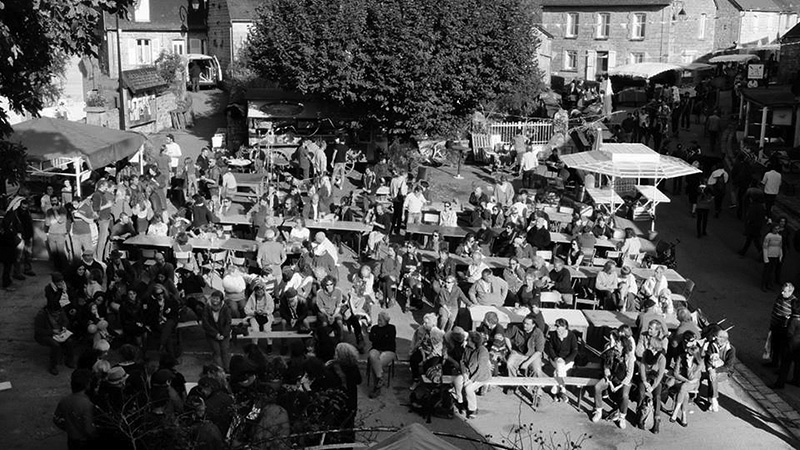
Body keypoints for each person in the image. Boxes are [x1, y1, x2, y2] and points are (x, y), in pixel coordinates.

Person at [591, 329, 634, 429]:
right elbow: (606, 368)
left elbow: (629, 375)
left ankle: (622, 417)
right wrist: (610, 383)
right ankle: (598, 411)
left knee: (625, 395)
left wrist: (619, 386)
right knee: (598, 387)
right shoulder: (610, 352)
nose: (616, 344)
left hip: (623, 381)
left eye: (618, 343)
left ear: (623, 346)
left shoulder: (629, 357)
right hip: (611, 379)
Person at [666, 331, 704, 427]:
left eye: (690, 354)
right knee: (685, 393)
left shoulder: (699, 363)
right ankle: (684, 415)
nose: (687, 355)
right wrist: (687, 380)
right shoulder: (681, 356)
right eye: (687, 351)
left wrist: (689, 365)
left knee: (684, 388)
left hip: (693, 383)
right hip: (684, 381)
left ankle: (676, 411)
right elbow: (676, 373)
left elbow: (692, 376)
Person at [53, 368, 96, 449]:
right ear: (87, 385)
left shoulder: (64, 400)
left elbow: (56, 419)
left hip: (71, 439)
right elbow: (88, 429)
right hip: (83, 441)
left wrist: (68, 428)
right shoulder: (87, 404)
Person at [452, 331, 491, 418]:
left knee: (468, 388)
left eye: (468, 339)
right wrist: (464, 373)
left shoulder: (482, 351)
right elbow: (462, 361)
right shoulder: (467, 348)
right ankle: (461, 401)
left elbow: (481, 368)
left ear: (474, 341)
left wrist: (471, 380)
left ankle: (473, 408)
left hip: (481, 376)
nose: (466, 340)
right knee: (457, 381)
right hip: (469, 372)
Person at [34, 295, 75, 375]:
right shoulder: (41, 316)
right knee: (55, 345)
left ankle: (69, 360)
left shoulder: (60, 312)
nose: (57, 315)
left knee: (70, 341)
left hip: (59, 332)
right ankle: (53, 365)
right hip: (46, 334)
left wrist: (64, 327)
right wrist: (52, 331)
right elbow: (38, 330)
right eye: (55, 314)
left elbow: (65, 321)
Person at [637, 334, 667, 434]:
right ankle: (640, 414)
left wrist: (653, 387)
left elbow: (660, 375)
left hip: (655, 379)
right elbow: (642, 367)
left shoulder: (661, 358)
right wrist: (645, 382)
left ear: (654, 346)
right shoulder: (646, 353)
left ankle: (657, 420)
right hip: (645, 377)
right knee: (641, 392)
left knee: (657, 396)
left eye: (649, 344)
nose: (647, 345)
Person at [545, 318, 578, 402]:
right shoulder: (553, 335)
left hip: (568, 361)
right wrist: (556, 358)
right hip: (555, 359)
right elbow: (550, 348)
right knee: (559, 365)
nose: (557, 329)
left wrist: (566, 360)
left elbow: (574, 351)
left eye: (559, 327)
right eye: (556, 327)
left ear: (565, 327)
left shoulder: (571, 336)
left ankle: (556, 389)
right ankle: (563, 389)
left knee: (558, 370)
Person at [704, 329, 736, 410]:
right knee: (711, 376)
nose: (714, 338)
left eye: (717, 337)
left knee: (712, 377)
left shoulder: (731, 350)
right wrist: (710, 369)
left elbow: (728, 366)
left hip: (725, 371)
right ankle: (712, 399)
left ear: (722, 339)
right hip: (713, 368)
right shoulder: (712, 344)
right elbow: (707, 358)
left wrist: (714, 371)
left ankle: (712, 399)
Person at [505, 314, 545, 379]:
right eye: (524, 323)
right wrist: (510, 349)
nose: (524, 325)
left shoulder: (538, 333)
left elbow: (539, 351)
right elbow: (506, 336)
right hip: (518, 352)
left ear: (533, 325)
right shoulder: (516, 328)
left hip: (532, 355)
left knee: (537, 369)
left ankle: (533, 385)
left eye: (527, 324)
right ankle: (513, 382)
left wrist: (527, 363)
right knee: (510, 364)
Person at [367, 311, 397, 398]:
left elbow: (389, 340)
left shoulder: (391, 328)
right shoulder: (374, 328)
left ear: (386, 321)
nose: (379, 322)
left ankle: (376, 388)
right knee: (372, 356)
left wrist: (378, 338)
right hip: (376, 349)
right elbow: (371, 338)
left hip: (389, 350)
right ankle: (380, 378)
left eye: (381, 320)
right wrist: (383, 337)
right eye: (378, 320)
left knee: (375, 363)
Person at [762, 223, 783, 292]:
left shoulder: (780, 237)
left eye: (778, 229)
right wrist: (765, 257)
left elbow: (780, 247)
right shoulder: (768, 236)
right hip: (769, 255)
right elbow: (765, 247)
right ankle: (764, 285)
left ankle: (769, 284)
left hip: (775, 256)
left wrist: (780, 256)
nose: (776, 230)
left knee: (772, 271)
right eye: (775, 229)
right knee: (767, 271)